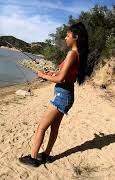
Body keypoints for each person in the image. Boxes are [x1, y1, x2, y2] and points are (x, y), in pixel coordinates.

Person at [18, 22, 89, 167]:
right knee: (54, 128)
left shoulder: (72, 54)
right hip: (67, 95)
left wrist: (43, 75)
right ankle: (46, 155)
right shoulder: (79, 55)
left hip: (62, 96)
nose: (65, 38)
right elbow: (69, 76)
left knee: (41, 127)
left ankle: (33, 158)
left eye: (67, 35)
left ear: (75, 37)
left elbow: (61, 79)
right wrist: (53, 73)